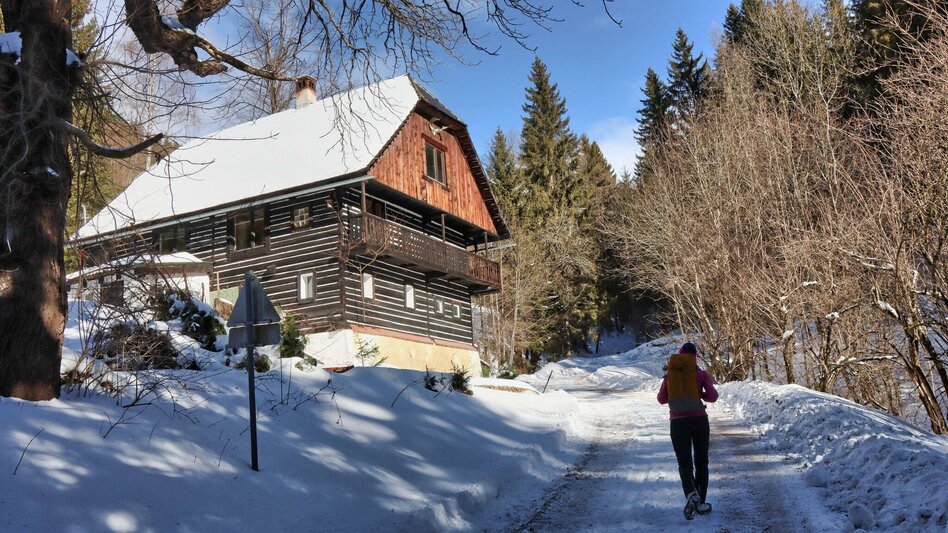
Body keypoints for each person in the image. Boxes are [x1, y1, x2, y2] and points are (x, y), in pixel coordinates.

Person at [657, 341, 718, 520]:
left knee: (684, 464)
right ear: (695, 357)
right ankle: (701, 502)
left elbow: (661, 399)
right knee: (701, 462)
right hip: (699, 421)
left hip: (677, 423)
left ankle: (691, 493)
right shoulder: (700, 374)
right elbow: (713, 396)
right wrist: (699, 395)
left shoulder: (671, 375)